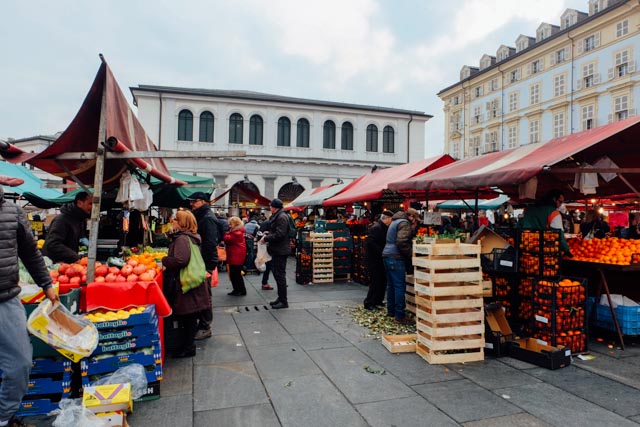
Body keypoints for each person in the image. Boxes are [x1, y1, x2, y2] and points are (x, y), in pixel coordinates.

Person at [0, 182, 59, 427]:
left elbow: (31, 253)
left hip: (6, 299)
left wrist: (46, 284)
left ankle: (3, 417)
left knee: (20, 363)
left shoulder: (13, 212)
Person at [162, 210, 211, 358]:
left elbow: (181, 260)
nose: (173, 221)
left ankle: (188, 347)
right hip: (192, 282)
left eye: (175, 219)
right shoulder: (190, 237)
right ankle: (187, 345)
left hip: (186, 282)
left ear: (182, 223)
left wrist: (165, 260)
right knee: (189, 316)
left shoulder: (183, 239)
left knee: (187, 316)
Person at [187, 192, 219, 341]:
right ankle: (203, 323)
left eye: (194, 201)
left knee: (205, 294)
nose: (191, 204)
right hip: (202, 261)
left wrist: (207, 267)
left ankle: (206, 326)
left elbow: (210, 243)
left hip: (205, 262)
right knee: (202, 293)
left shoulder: (207, 218)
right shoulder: (202, 216)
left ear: (202, 202)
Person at [382, 208, 419, 325]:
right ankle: (399, 316)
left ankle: (391, 311)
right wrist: (410, 254)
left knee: (391, 285)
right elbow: (402, 242)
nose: (414, 223)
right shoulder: (404, 223)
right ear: (411, 217)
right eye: (414, 220)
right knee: (399, 286)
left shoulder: (395, 221)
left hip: (387, 254)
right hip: (395, 257)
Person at [42, 191, 92, 263]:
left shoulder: (80, 220)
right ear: (79, 203)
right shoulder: (61, 220)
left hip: (68, 264)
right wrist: (74, 257)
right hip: (54, 264)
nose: (92, 206)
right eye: (90, 203)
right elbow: (53, 244)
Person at [517, 189, 571, 255]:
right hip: (543, 250)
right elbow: (559, 235)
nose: (560, 205)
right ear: (554, 199)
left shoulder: (528, 209)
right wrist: (566, 250)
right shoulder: (554, 213)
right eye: (560, 202)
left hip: (526, 247)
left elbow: (518, 226)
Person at [260, 198, 290, 309]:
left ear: (275, 207)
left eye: (271, 206)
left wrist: (267, 238)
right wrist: (269, 232)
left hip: (281, 250)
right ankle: (280, 298)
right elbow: (278, 232)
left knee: (280, 276)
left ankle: (283, 301)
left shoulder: (281, 217)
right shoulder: (279, 215)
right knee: (278, 275)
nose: (270, 208)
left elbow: (280, 234)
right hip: (278, 249)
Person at [363, 210, 393, 310]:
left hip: (378, 259)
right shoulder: (377, 228)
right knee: (376, 281)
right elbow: (371, 243)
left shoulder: (381, 227)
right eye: (391, 219)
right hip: (374, 260)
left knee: (381, 281)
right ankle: (369, 302)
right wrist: (382, 251)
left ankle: (378, 300)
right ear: (386, 218)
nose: (391, 222)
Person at [224, 216, 247, 296]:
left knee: (236, 274)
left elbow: (227, 239)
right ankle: (237, 289)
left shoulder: (236, 232)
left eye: (231, 224)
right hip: (236, 254)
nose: (229, 226)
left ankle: (240, 290)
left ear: (236, 224)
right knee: (234, 274)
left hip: (236, 255)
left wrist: (226, 233)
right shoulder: (236, 231)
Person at [257, 219, 274, 290]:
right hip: (268, 248)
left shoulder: (267, 222)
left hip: (268, 248)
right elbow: (260, 235)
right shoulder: (269, 222)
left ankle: (264, 283)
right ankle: (265, 283)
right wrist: (268, 234)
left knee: (270, 266)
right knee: (271, 266)